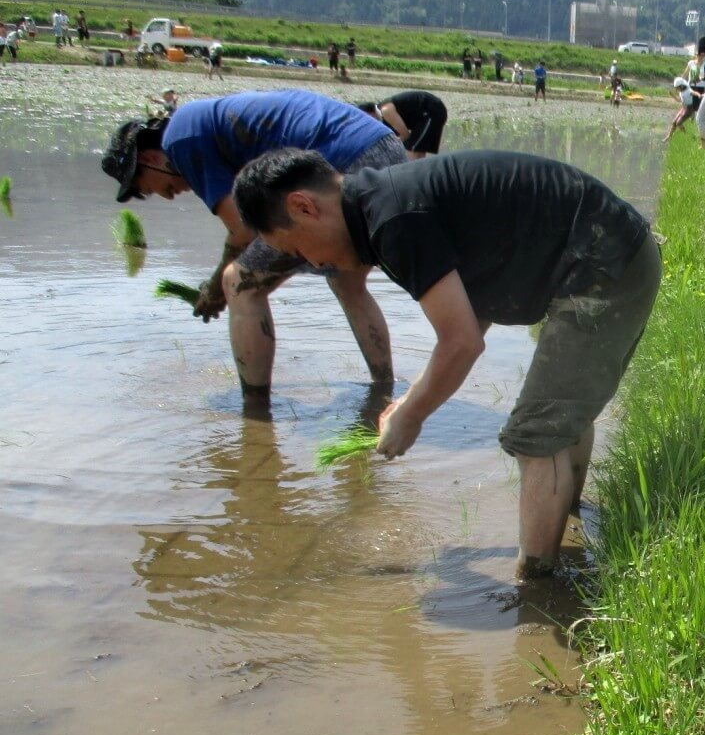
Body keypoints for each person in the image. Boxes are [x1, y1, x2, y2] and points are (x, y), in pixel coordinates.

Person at [231, 148, 663, 580]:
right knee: (561, 414)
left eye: (296, 247)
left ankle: (536, 590)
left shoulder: (392, 220)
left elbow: (461, 342)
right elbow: (472, 312)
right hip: (613, 251)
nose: (313, 263)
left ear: (303, 206)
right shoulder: (384, 204)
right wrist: (409, 402)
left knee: (536, 435)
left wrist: (413, 416)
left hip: (603, 262)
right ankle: (566, 525)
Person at [100, 90, 407, 403]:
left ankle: (255, 413)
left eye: (143, 190)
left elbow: (242, 231)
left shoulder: (180, 140)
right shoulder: (197, 124)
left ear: (150, 159)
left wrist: (215, 288)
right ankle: (383, 389)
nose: (163, 195)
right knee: (346, 280)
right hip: (385, 150)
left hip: (347, 162)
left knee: (239, 283)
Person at [357, 90, 448, 159]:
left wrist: (388, 148)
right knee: (417, 150)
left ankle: (412, 177)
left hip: (432, 111)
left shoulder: (385, 111)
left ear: (369, 113)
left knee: (412, 150)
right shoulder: (383, 117)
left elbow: (404, 135)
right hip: (423, 118)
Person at [663, 77, 698, 142]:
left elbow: (693, 93)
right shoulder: (681, 92)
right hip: (683, 108)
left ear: (681, 86)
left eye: (677, 87)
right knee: (674, 122)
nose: (676, 89)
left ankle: (687, 136)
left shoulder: (688, 90)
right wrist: (672, 95)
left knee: (678, 123)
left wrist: (699, 94)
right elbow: (679, 100)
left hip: (689, 109)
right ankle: (669, 136)